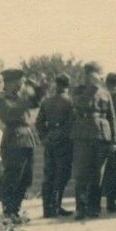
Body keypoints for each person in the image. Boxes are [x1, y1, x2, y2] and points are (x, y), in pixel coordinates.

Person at [0, 68, 43, 221]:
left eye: (21, 83)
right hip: (13, 140)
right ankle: (8, 212)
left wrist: (36, 87)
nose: (20, 85)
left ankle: (16, 211)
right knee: (13, 177)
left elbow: (36, 101)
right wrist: (25, 98)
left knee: (26, 178)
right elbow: (11, 114)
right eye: (18, 82)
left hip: (27, 139)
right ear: (9, 83)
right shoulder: (2, 100)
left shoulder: (20, 98)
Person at [70, 62, 116, 220]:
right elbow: (80, 103)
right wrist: (91, 88)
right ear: (86, 75)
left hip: (102, 136)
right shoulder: (79, 91)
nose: (95, 77)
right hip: (83, 136)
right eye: (91, 74)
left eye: (97, 73)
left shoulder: (105, 93)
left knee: (98, 174)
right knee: (82, 174)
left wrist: (114, 140)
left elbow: (112, 117)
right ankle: (80, 208)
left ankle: (94, 207)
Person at [34, 73, 75, 218]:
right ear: (67, 86)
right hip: (64, 142)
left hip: (50, 140)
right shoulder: (69, 102)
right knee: (62, 174)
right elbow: (71, 123)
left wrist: (45, 137)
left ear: (57, 85)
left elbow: (38, 123)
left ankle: (48, 209)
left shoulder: (46, 102)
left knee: (49, 175)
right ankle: (56, 206)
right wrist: (64, 136)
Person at [99, 71, 116, 213]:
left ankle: (96, 202)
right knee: (114, 172)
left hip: (102, 138)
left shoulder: (102, 96)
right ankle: (110, 202)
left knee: (100, 172)